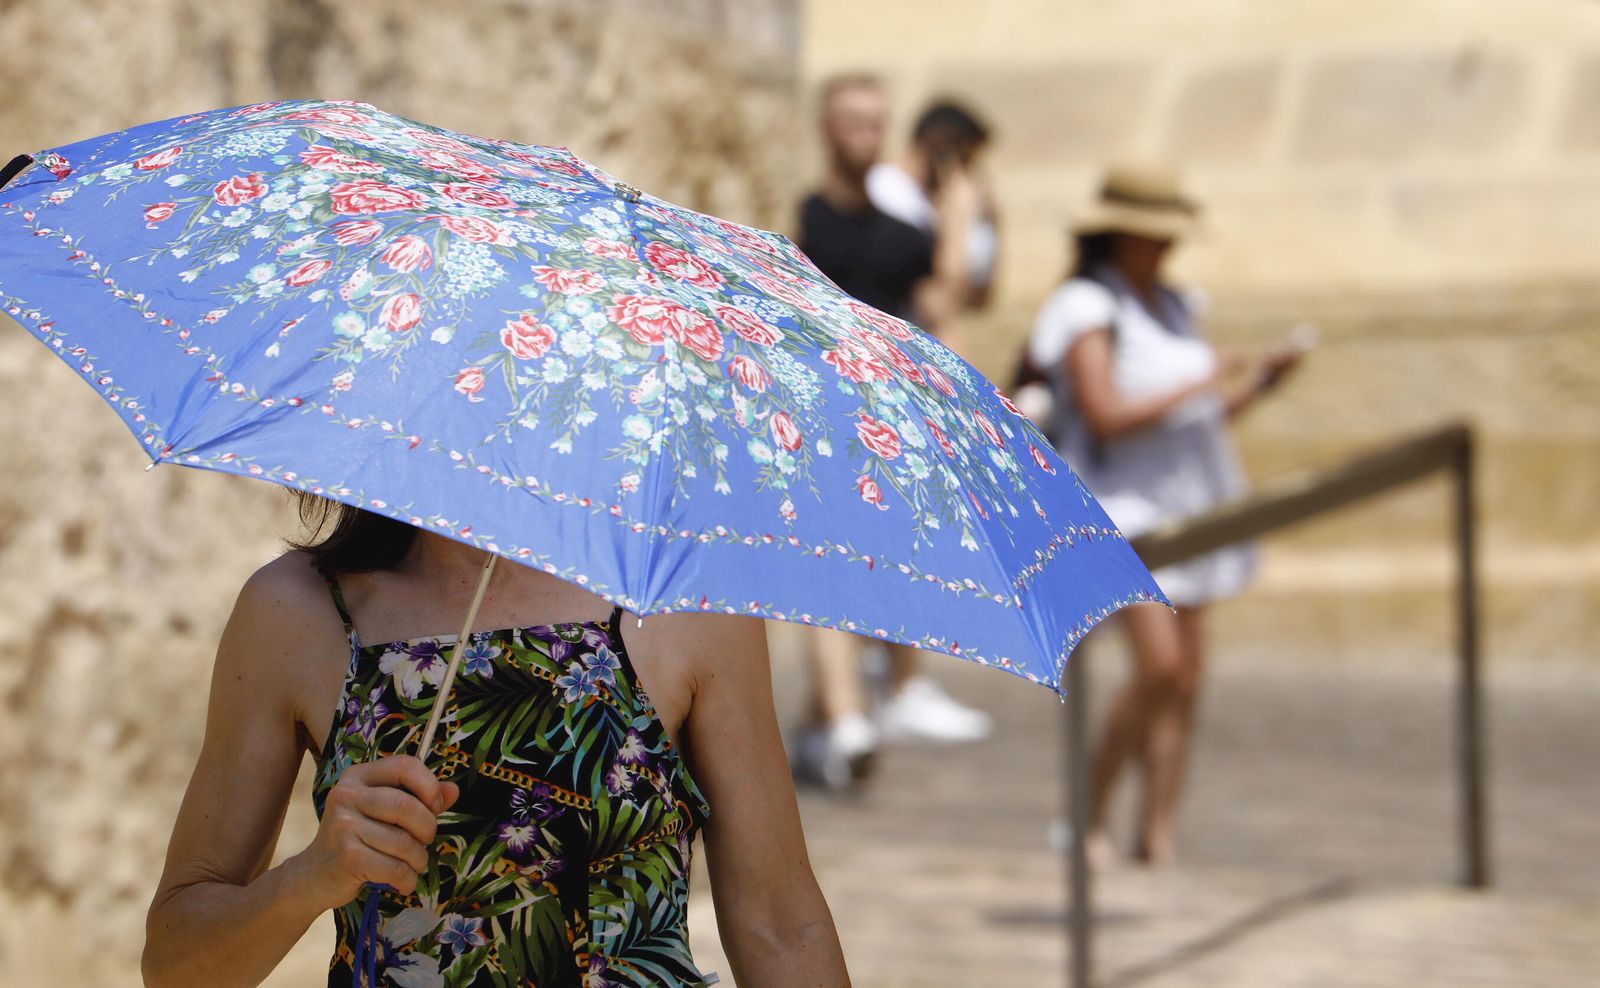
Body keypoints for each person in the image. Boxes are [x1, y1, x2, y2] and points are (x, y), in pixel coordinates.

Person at [140, 496, 852, 987]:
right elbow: (176, 965)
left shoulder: (683, 589)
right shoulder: (295, 612)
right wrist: (307, 879)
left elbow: (781, 928)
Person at [1025, 162, 1309, 867]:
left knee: (1184, 681)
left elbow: (1197, 421)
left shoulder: (1176, 305)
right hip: (1126, 513)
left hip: (1191, 506)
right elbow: (1106, 415)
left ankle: (1158, 835)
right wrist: (1204, 378)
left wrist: (1258, 386)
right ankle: (1089, 816)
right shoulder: (1087, 306)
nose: (1167, 247)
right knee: (1157, 668)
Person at [790, 73, 992, 792]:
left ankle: (824, 729)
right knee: (829, 571)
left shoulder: (902, 232)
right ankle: (845, 720)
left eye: (875, 122)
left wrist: (963, 213)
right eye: (851, 120)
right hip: (822, 417)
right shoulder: (806, 219)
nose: (863, 133)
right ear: (826, 127)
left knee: (863, 573)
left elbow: (947, 297)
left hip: (885, 422)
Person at [866, 99, 1000, 322]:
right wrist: (958, 222)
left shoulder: (930, 204)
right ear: (940, 147)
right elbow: (942, 305)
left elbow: (979, 299)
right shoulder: (886, 192)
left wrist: (992, 226)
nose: (970, 173)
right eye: (966, 161)